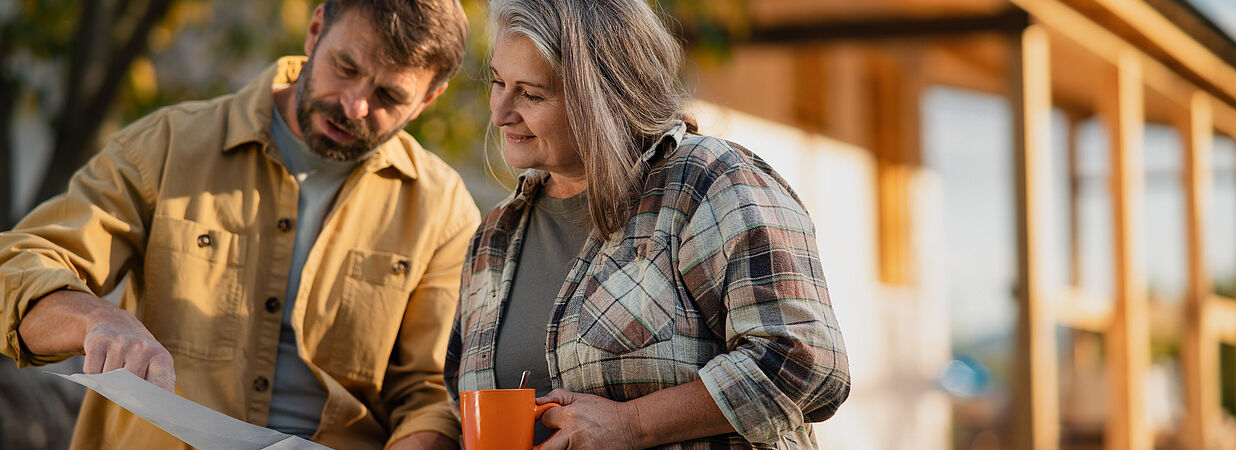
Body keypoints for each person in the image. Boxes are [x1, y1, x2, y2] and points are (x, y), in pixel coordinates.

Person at [0, 1, 480, 449]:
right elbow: (18, 267)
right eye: (346, 68)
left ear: (428, 99)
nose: (354, 105)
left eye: (389, 95)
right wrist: (99, 320)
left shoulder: (444, 212)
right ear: (314, 34)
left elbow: (432, 393)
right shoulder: (168, 146)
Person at [444, 0, 851, 448]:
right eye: (498, 82)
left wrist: (632, 423)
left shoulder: (709, 183)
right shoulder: (495, 236)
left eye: (531, 94)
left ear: (604, 95)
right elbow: (454, 404)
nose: (500, 112)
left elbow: (805, 362)